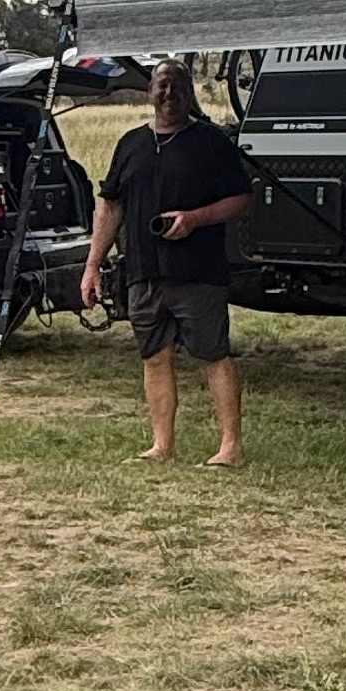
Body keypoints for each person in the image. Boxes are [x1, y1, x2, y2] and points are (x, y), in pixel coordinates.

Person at [81, 57, 255, 465]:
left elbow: (241, 200)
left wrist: (195, 219)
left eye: (177, 86)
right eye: (162, 86)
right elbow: (110, 208)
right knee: (154, 357)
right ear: (150, 92)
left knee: (213, 354)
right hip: (144, 271)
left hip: (199, 272)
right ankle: (162, 445)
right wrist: (92, 265)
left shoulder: (211, 142)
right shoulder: (130, 144)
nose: (169, 94)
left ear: (189, 93)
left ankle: (230, 447)